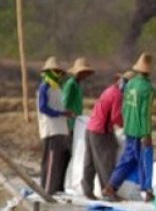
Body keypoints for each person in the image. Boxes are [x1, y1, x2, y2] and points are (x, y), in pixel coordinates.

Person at [103, 53, 155, 202]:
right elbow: (145, 113)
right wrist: (146, 133)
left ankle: (111, 186)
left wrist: (128, 124)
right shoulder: (147, 88)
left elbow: (125, 108)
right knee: (145, 159)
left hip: (130, 128)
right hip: (141, 130)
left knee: (128, 159)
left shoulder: (130, 84)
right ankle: (148, 190)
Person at [81, 72, 132, 200]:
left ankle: (87, 190)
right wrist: (127, 126)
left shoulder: (109, 90)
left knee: (91, 161)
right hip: (100, 131)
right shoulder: (117, 95)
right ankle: (108, 192)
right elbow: (116, 117)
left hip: (91, 127)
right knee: (106, 161)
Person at [37, 56, 74, 194]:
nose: (58, 74)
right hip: (51, 128)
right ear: (50, 71)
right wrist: (60, 114)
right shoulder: (44, 87)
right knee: (50, 161)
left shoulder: (56, 87)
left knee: (58, 160)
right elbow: (43, 108)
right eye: (56, 71)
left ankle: (54, 188)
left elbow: (58, 105)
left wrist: (65, 113)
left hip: (59, 128)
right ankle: (47, 190)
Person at [62, 57, 95, 133]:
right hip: (70, 121)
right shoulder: (71, 84)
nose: (86, 75)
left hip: (77, 120)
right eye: (85, 72)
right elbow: (65, 102)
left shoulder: (78, 85)